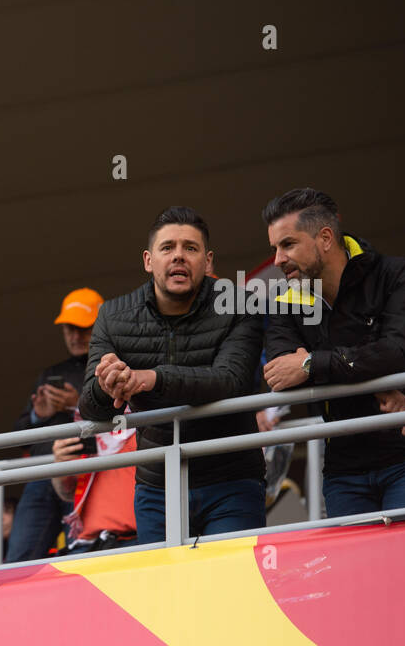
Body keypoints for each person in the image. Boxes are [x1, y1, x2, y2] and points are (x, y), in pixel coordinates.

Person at [261, 187, 405, 516]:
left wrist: (309, 363)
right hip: (344, 471)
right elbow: (283, 377)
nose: (278, 259)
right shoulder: (283, 302)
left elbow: (398, 351)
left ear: (325, 238)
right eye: (275, 248)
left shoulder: (396, 274)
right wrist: (376, 382)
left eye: (288, 244)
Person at [79, 207, 265, 542]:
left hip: (232, 481)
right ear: (148, 260)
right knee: (163, 579)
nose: (179, 256)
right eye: (168, 248)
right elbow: (91, 409)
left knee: (231, 577)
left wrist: (152, 378)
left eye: (190, 248)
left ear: (208, 261)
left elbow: (231, 382)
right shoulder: (112, 315)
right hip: (157, 487)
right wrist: (107, 386)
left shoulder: (241, 304)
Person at [6, 288, 102, 562]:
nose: (75, 336)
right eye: (69, 329)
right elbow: (20, 437)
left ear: (101, 326)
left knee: (83, 557)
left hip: (88, 472)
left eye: (83, 328)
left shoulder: (111, 366)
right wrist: (39, 415)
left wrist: (77, 404)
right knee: (17, 562)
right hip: (44, 471)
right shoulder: (51, 373)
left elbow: (125, 424)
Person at [50, 415, 138, 554]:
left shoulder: (148, 420)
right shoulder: (86, 429)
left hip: (137, 541)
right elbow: (66, 493)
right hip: (89, 544)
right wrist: (60, 465)